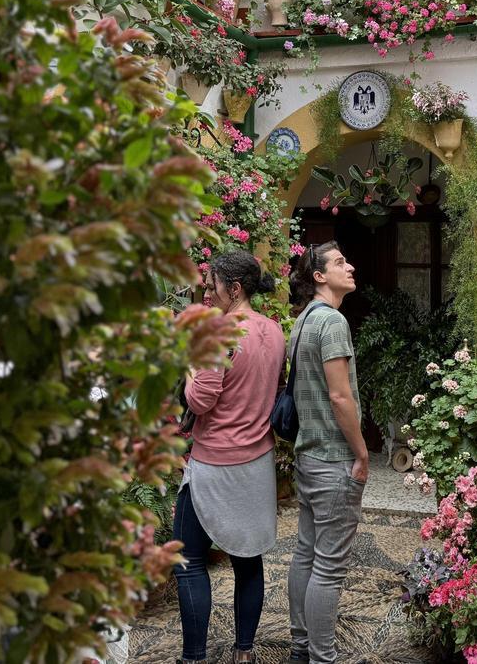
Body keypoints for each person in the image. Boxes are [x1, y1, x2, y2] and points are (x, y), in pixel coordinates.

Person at [174, 250, 285, 664]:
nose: (205, 291)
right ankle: (244, 652)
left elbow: (200, 400)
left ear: (233, 288)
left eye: (210, 284)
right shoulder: (274, 331)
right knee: (248, 559)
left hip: (214, 462)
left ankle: (194, 656)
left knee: (187, 560)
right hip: (256, 463)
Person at [285, 242, 366, 664]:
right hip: (334, 458)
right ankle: (322, 657)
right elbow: (339, 396)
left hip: (308, 455)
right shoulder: (331, 321)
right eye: (339, 262)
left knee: (305, 553)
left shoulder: (302, 321)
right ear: (318, 276)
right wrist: (363, 455)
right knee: (328, 567)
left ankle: (301, 648)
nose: (349, 266)